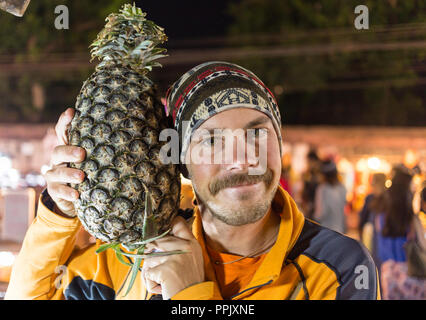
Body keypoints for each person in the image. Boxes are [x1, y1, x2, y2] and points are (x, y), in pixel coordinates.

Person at [6, 61, 379, 300]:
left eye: (257, 134)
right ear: (181, 162)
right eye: (212, 141)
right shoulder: (137, 254)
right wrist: (59, 213)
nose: (241, 159)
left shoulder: (339, 268)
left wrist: (191, 295)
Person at [375, 165, 425, 299]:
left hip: (387, 271)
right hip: (409, 270)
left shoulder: (381, 215)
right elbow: (421, 243)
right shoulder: (411, 219)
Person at [313, 159, 347, 234]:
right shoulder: (342, 188)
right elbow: (343, 210)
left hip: (325, 230)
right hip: (339, 229)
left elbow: (320, 214)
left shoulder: (322, 189)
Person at [358, 173, 387, 258]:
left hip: (382, 236)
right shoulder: (370, 198)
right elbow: (363, 218)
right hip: (371, 235)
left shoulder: (387, 198)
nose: (373, 187)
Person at [300, 149, 321, 220]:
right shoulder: (308, 173)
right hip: (309, 206)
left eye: (309, 161)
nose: (308, 163)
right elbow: (305, 190)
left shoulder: (319, 174)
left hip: (317, 207)